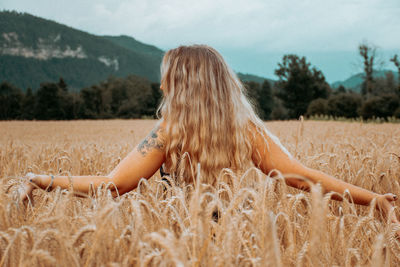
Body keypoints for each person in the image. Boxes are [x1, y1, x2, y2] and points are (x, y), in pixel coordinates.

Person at [19, 45, 399, 226]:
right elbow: (304, 177)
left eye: (168, 75)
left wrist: (43, 180)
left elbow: (113, 185)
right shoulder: (246, 131)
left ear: (181, 84)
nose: (162, 82)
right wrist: (374, 201)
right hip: (240, 237)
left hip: (179, 239)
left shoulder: (168, 132)